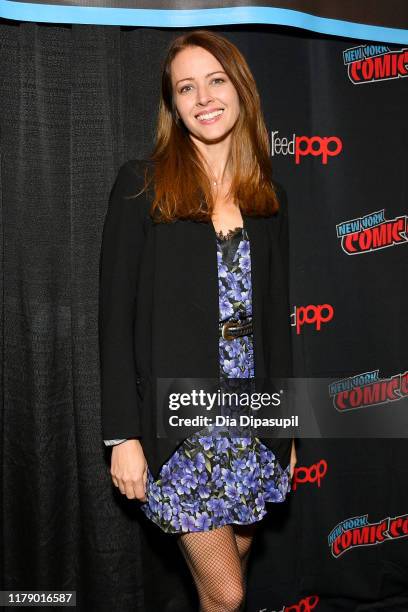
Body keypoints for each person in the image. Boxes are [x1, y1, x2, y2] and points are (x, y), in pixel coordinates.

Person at [99, 30, 297, 612]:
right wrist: (123, 435)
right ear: (174, 104)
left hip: (254, 426)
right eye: (187, 87)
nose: (204, 97)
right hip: (182, 430)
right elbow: (115, 320)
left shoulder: (268, 197)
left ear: (241, 90)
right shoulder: (143, 185)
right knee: (227, 593)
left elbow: (277, 324)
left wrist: (284, 430)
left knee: (229, 575)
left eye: (216, 81)